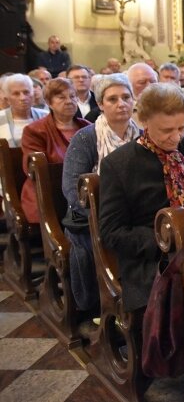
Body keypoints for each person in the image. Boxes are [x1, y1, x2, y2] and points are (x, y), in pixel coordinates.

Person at [100, 83, 184, 316]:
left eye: (181, 127)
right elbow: (112, 231)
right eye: (166, 130)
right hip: (152, 261)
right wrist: (169, 242)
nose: (176, 137)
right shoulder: (119, 165)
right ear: (144, 121)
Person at [62, 74, 139, 312]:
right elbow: (72, 187)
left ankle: (136, 304)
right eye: (112, 99)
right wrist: (104, 214)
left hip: (134, 213)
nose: (121, 104)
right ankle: (92, 306)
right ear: (101, 104)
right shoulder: (86, 138)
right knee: (86, 252)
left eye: (126, 97)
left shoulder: (142, 136)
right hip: (88, 216)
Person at [21, 78, 89, 224]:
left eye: (72, 96)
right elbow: (33, 170)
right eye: (61, 97)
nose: (69, 101)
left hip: (82, 193)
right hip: (48, 195)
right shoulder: (34, 131)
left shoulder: (87, 127)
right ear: (49, 102)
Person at [0, 74, 49, 147]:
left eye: (26, 92)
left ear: (33, 95)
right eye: (16, 94)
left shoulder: (47, 116)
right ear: (7, 99)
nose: (22, 98)